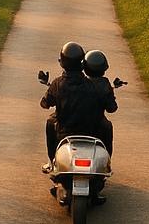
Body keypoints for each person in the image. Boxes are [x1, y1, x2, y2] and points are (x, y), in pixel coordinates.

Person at [40, 40, 105, 173]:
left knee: (49, 122)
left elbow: (45, 104)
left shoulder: (57, 83)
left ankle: (52, 160)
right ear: (82, 63)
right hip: (90, 131)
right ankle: (104, 163)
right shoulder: (91, 84)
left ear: (62, 63)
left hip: (64, 131)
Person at [81, 49, 117, 155]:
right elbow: (112, 108)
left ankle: (51, 160)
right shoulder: (104, 84)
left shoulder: (80, 81)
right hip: (97, 125)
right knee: (108, 127)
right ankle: (107, 159)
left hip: (75, 123)